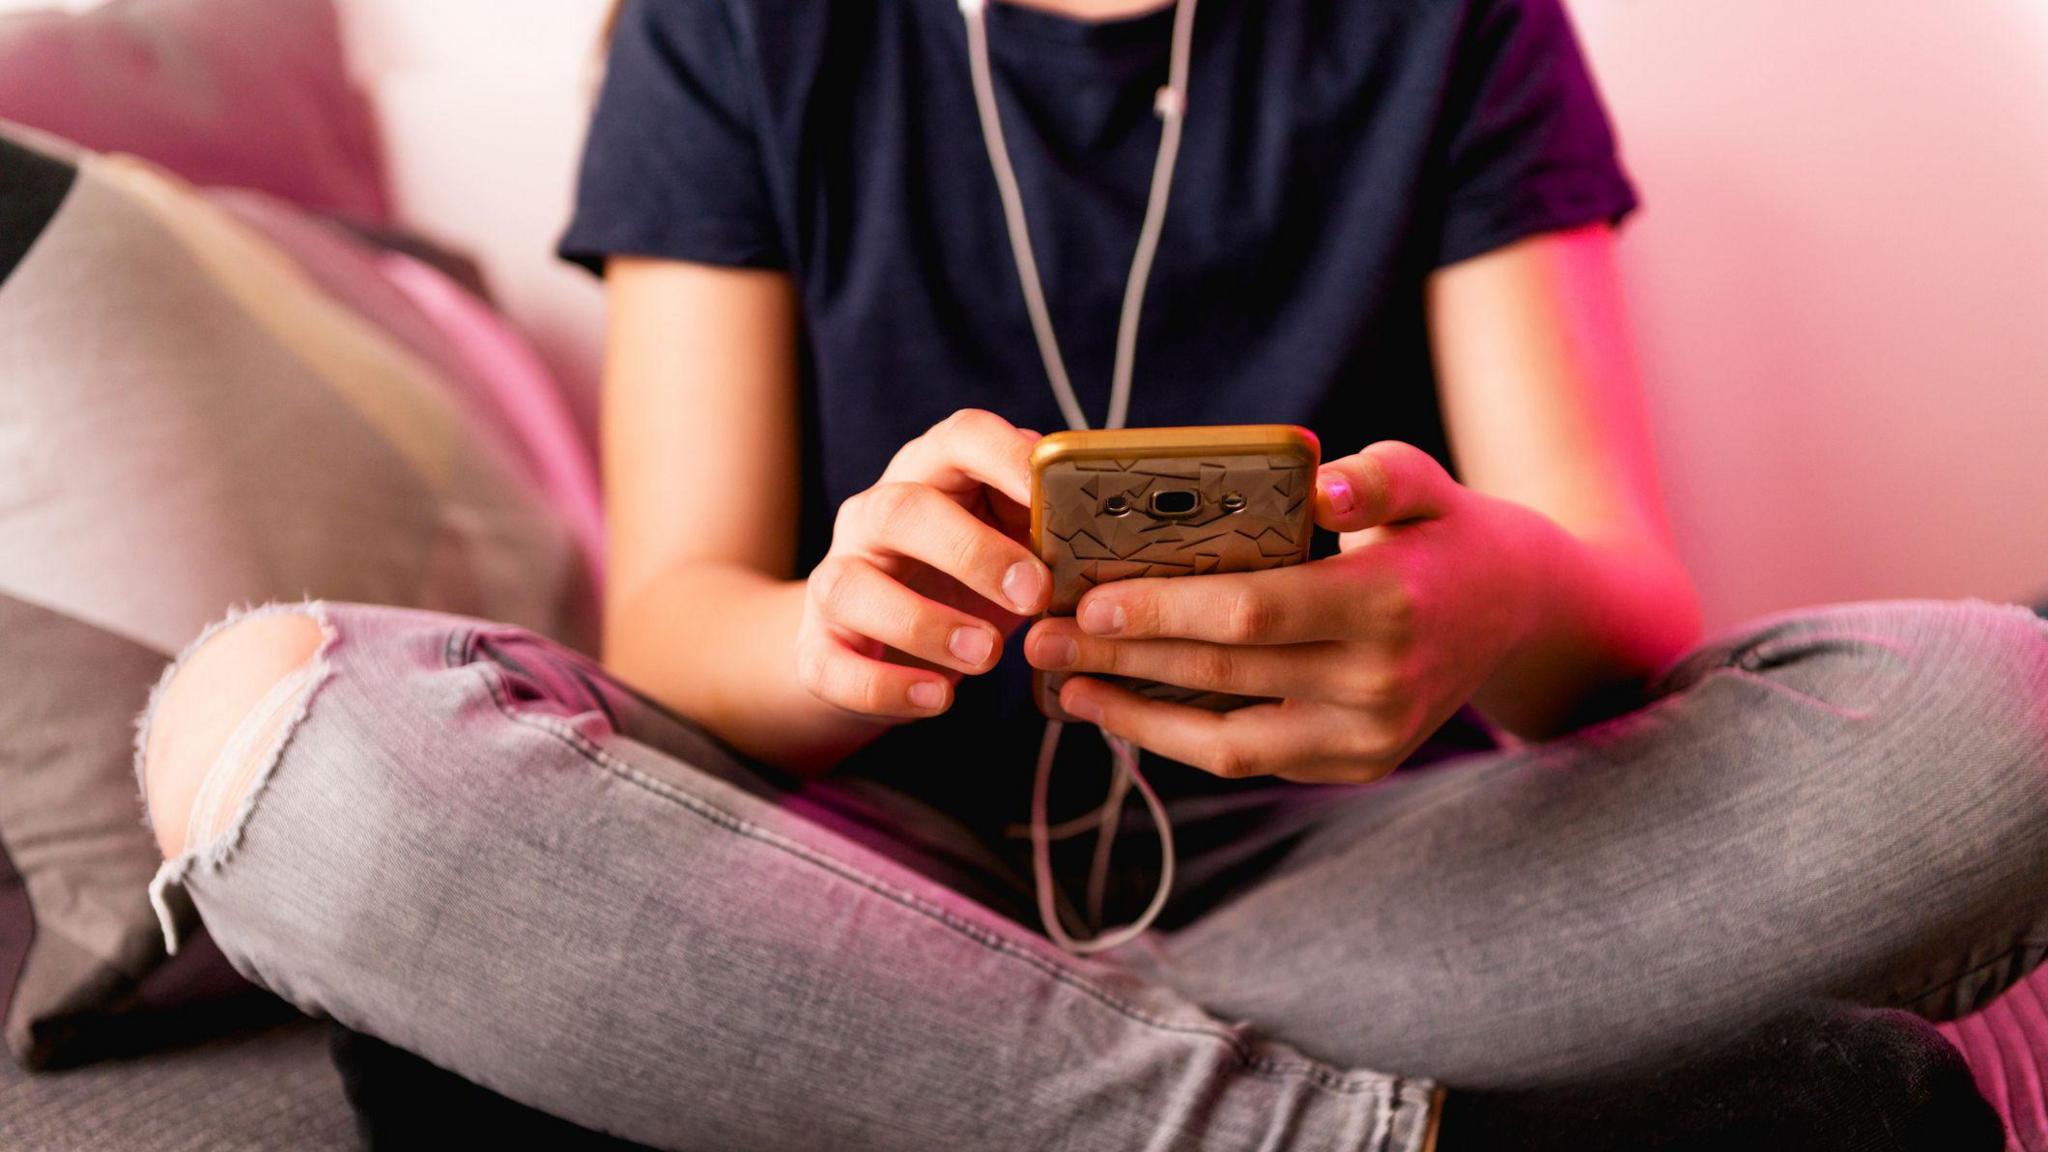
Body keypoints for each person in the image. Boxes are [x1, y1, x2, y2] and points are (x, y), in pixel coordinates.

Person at [137, 0, 2043, 1147]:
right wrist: (822, 630)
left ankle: (891, 1104)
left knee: (2006, 718)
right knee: (265, 734)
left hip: (1362, 877)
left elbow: (1616, 598)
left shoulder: (1452, 19)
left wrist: (1496, 600)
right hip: (843, 884)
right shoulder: (735, 23)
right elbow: (679, 628)